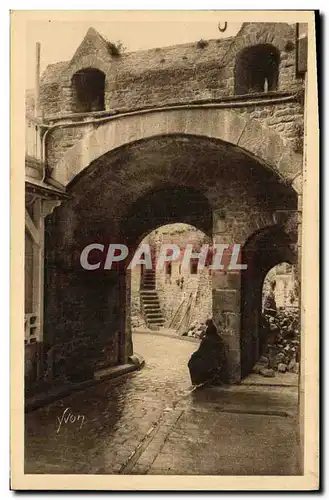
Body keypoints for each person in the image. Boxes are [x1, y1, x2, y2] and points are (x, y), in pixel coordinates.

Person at [188, 318, 228, 386]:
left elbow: (200, 351)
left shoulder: (206, 340)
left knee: (192, 362)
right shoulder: (219, 339)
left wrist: (194, 355)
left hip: (210, 362)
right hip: (217, 361)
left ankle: (197, 382)